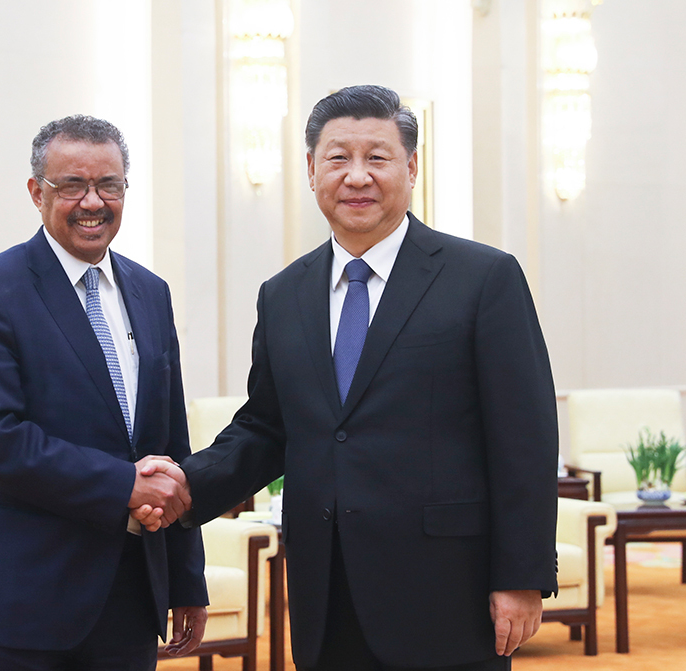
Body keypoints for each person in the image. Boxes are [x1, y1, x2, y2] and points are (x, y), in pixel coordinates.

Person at [139, 85, 558, 671]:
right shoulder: (283, 295)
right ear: (312, 169)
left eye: (377, 157)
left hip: (448, 593)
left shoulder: (484, 278)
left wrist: (521, 575)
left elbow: (524, 437)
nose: (357, 176)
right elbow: (266, 428)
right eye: (338, 158)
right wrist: (187, 484)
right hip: (327, 590)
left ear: (412, 168)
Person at [0, 114, 207, 671]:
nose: (93, 202)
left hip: (130, 600)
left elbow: (170, 445)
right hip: (21, 602)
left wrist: (186, 578)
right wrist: (123, 485)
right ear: (37, 192)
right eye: (72, 186)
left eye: (109, 185)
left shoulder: (151, 292)